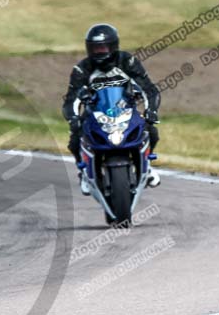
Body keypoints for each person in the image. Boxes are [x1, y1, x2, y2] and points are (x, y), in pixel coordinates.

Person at [62, 23, 161, 194]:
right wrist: (73, 119)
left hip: (125, 110)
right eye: (95, 48)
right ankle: (84, 172)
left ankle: (147, 166)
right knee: (75, 139)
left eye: (103, 48)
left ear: (113, 46)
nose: (99, 52)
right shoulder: (82, 69)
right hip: (94, 113)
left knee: (151, 131)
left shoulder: (127, 61)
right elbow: (71, 99)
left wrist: (151, 110)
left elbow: (149, 89)